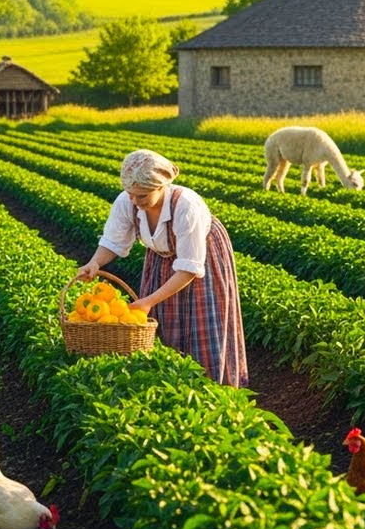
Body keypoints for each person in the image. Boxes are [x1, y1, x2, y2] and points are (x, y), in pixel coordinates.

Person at [76, 149, 248, 387]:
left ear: (161, 187)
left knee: (202, 324)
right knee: (164, 321)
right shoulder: (128, 202)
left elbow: (188, 268)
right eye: (131, 195)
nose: (135, 201)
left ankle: (212, 388)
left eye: (142, 196)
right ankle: (169, 383)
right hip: (161, 258)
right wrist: (94, 262)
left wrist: (148, 301)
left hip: (202, 259)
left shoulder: (186, 207)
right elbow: (113, 241)